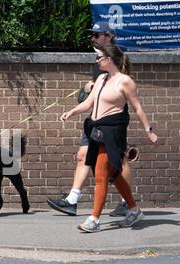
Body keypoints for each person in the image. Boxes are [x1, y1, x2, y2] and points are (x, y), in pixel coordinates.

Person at [60, 44, 158, 232]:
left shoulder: (125, 81)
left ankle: (94, 219)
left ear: (109, 60)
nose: (97, 61)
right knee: (113, 174)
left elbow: (137, 108)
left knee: (101, 174)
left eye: (100, 58)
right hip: (97, 131)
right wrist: (71, 112)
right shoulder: (102, 79)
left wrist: (149, 130)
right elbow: (89, 104)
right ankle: (134, 210)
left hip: (113, 132)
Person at [47, 21, 132, 217]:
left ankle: (127, 203)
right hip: (94, 118)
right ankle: (72, 200)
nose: (93, 38)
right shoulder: (98, 59)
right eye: (92, 35)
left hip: (111, 120)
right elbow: (93, 93)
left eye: (97, 35)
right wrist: (86, 91)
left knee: (118, 160)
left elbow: (124, 86)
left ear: (109, 36)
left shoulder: (118, 57)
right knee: (82, 155)